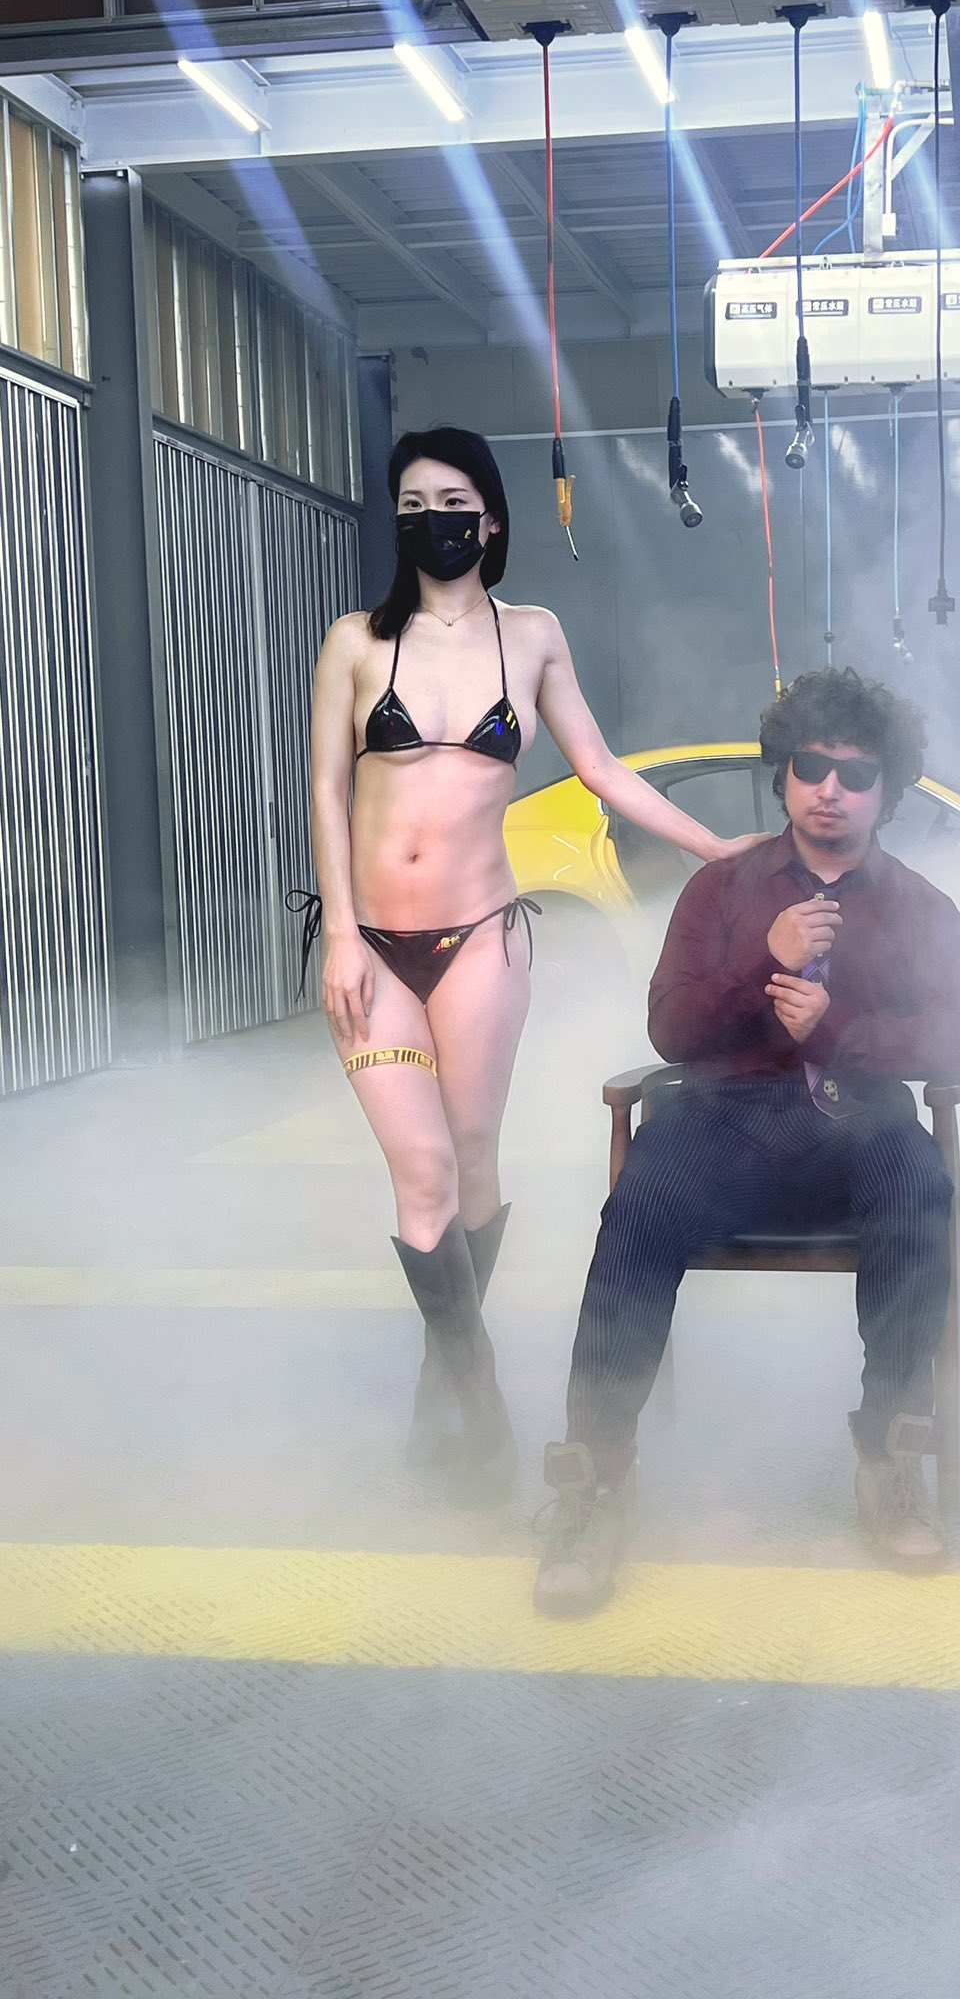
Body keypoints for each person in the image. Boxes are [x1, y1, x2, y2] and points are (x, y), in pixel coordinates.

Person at [294, 426, 761, 1503]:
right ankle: (484, 1405)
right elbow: (326, 788)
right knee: (421, 1171)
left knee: (471, 1158)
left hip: (481, 939)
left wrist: (709, 846)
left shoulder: (534, 635)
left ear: (492, 519)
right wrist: (340, 934)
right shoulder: (355, 643)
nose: (434, 522)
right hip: (375, 949)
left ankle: (440, 1390)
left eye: (453, 503)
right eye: (414, 506)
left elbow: (601, 768)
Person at [533, 666, 960, 1615]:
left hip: (858, 1124)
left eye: (856, 774)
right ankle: (596, 1478)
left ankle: (889, 1457)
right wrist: (762, 961)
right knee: (644, 1202)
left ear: (888, 791)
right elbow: (671, 1031)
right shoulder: (720, 891)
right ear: (782, 774)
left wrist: (837, 1028)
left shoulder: (919, 907)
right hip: (725, 1119)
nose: (830, 789)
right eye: (812, 767)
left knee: (917, 1188)